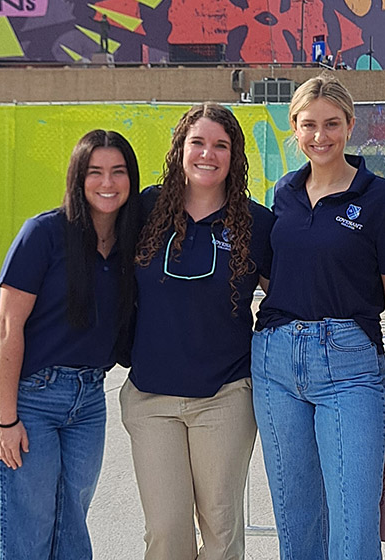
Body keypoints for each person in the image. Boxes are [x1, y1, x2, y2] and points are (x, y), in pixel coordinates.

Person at [251, 73, 385, 560]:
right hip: (275, 361)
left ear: (350, 125)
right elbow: (273, 275)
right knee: (296, 520)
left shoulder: (379, 198)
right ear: (294, 129)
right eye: (308, 125)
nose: (320, 136)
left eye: (331, 124)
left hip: (348, 366)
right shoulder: (282, 193)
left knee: (352, 526)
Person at [0, 129, 141, 559]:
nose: (107, 183)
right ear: (77, 177)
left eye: (118, 172)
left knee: (72, 526)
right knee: (29, 530)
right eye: (96, 172)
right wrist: (6, 418)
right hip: (28, 397)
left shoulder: (129, 244)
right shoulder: (44, 233)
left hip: (88, 402)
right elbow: (8, 326)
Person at [120, 103, 274, 560]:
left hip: (225, 396)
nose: (208, 154)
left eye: (220, 145)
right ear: (180, 150)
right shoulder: (146, 208)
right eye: (198, 142)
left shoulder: (257, 223)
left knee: (222, 532)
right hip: (151, 397)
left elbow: (290, 297)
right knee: (167, 534)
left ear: (235, 155)